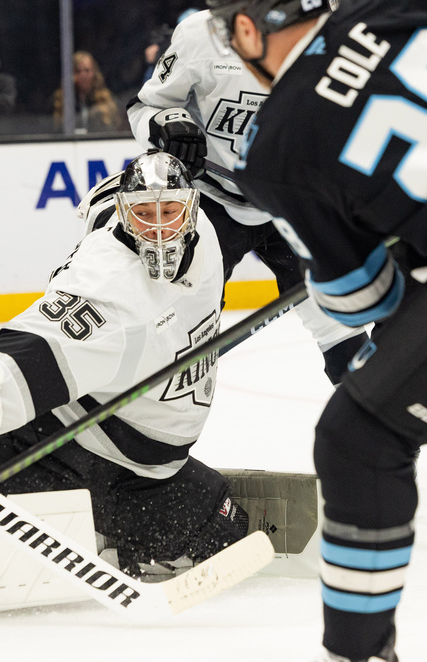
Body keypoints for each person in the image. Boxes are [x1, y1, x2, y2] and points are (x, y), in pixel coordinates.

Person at [204, 0, 427, 662]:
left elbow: (365, 296)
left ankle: (356, 654)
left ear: (249, 30)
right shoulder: (399, 4)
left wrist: (412, 267)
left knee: (359, 436)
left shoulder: (275, 144)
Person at [0, 150, 251, 578]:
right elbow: (11, 369)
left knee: (226, 529)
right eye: (143, 214)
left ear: (192, 207)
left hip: (143, 462)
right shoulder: (110, 296)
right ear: (125, 216)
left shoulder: (206, 235)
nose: (158, 228)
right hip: (75, 444)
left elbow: (101, 199)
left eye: (170, 211)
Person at [128, 9, 367, 386]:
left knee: (343, 333)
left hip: (292, 200)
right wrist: (167, 123)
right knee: (180, 339)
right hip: (211, 201)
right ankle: (160, 440)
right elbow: (146, 107)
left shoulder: (337, 32)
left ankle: (374, 437)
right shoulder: (199, 33)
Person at [53, 51, 123, 133]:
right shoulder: (61, 100)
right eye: (78, 71)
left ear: (94, 73)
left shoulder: (106, 100)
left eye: (87, 70)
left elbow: (112, 129)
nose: (83, 75)